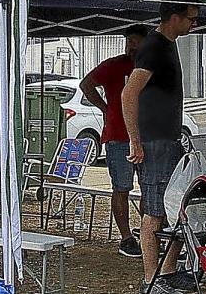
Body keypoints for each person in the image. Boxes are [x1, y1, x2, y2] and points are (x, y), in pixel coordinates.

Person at [122, 0, 200, 294]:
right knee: (154, 211)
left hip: (168, 140)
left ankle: (166, 272)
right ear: (174, 17)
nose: (194, 24)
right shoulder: (153, 47)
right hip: (153, 143)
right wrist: (135, 141)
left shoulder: (167, 45)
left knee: (175, 208)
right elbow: (128, 94)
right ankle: (150, 279)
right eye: (191, 18)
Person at [79, 23, 151, 258]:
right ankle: (126, 237)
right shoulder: (114, 65)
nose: (131, 45)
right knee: (122, 187)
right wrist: (104, 107)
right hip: (118, 137)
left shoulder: (151, 65)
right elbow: (86, 84)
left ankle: (148, 232)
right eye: (128, 40)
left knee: (149, 188)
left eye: (135, 41)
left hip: (147, 136)